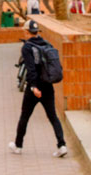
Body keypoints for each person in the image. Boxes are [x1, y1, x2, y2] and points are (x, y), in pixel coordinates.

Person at [9, 20, 68, 158]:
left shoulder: (27, 47)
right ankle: (62, 145)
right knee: (53, 116)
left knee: (25, 116)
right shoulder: (47, 44)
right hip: (48, 85)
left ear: (26, 32)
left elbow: (31, 70)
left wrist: (34, 87)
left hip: (35, 87)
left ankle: (18, 145)